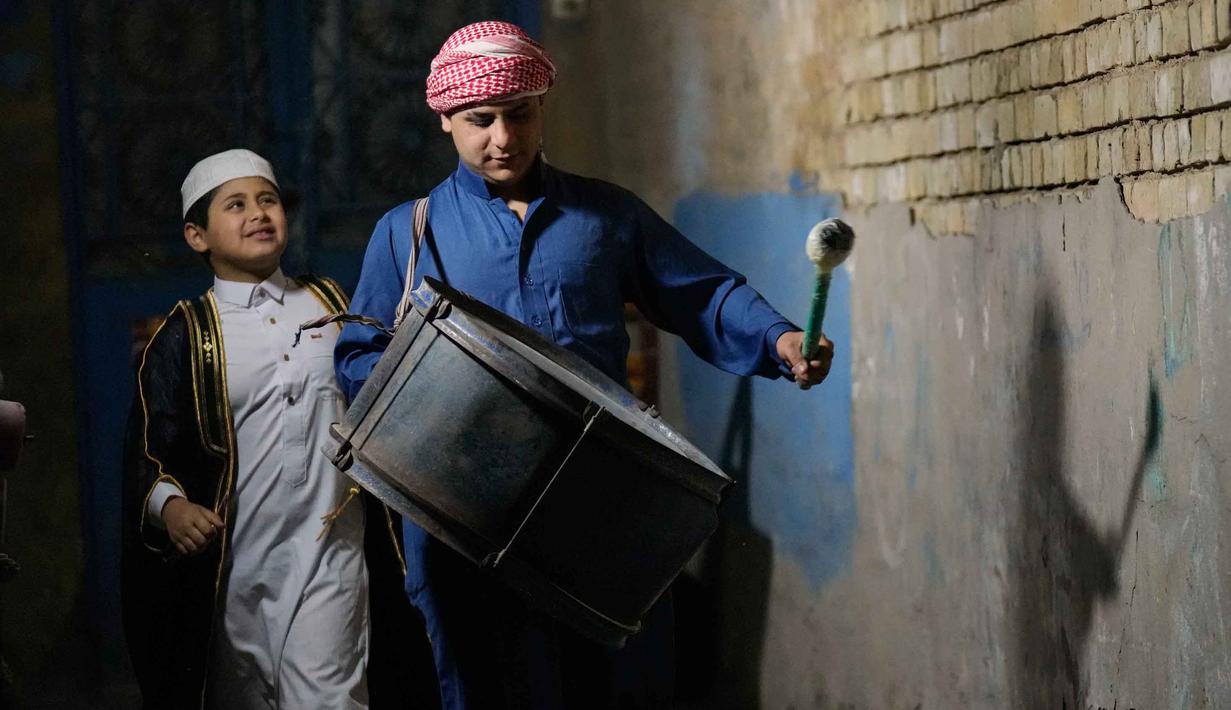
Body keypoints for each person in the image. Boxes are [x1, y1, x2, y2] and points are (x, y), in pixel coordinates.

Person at [334, 21, 834, 710]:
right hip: (465, 515)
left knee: (613, 680)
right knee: (482, 682)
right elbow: (360, 359)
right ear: (444, 118)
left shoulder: (604, 216)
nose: (502, 138)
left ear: (542, 109)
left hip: (602, 503)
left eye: (520, 115)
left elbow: (702, 292)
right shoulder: (408, 232)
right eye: (480, 120)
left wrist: (777, 341)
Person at [120, 149, 409, 709]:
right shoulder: (186, 334)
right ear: (197, 235)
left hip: (330, 550)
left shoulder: (332, 304)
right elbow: (149, 448)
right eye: (236, 204)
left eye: (268, 200)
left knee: (331, 697)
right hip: (234, 566)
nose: (258, 213)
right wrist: (171, 508)